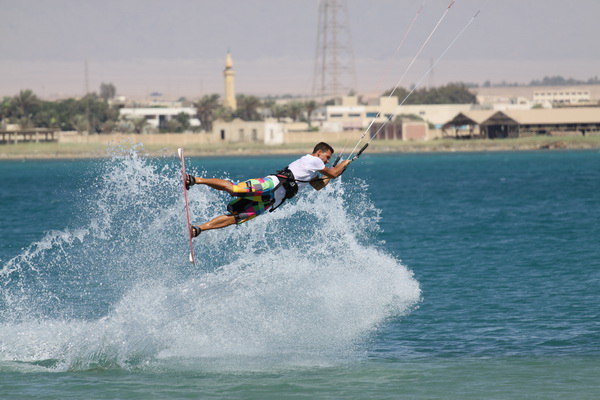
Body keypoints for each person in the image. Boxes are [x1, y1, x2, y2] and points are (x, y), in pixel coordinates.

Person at [185, 142, 351, 237]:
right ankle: (195, 180)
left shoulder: (313, 169)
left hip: (271, 200)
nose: (328, 161)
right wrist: (344, 164)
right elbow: (334, 173)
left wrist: (334, 172)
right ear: (319, 152)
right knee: (235, 189)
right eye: (327, 157)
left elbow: (318, 185)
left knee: (236, 218)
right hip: (271, 184)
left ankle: (198, 229)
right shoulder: (313, 160)